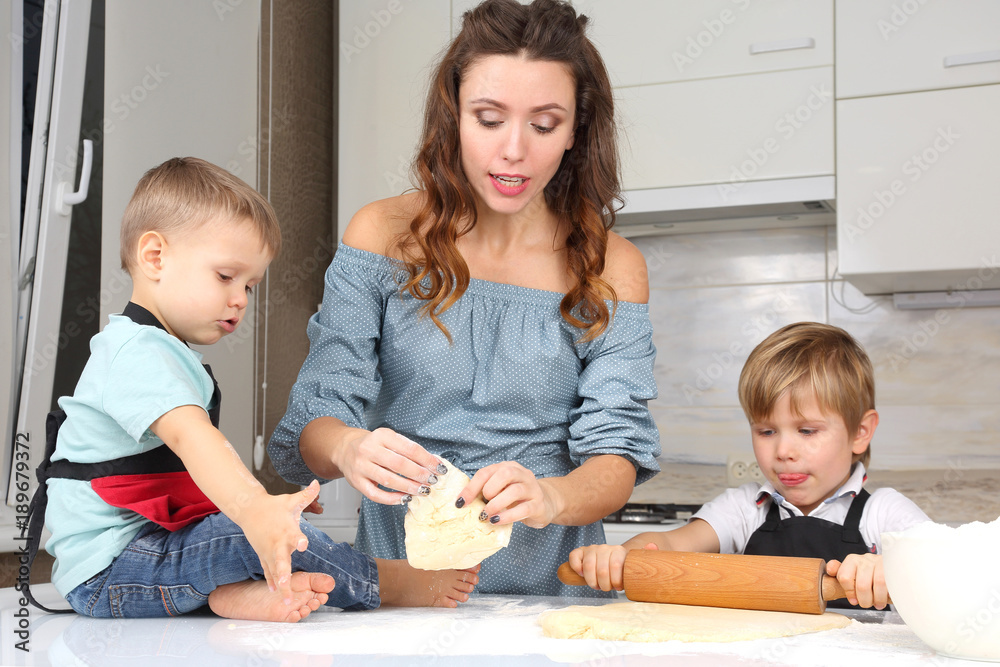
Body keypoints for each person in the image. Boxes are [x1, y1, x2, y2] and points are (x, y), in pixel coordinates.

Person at [268, 0, 660, 597]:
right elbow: (314, 418)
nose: (513, 150)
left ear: (575, 131)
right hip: (403, 592)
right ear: (453, 116)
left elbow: (616, 456)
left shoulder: (613, 267)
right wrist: (348, 447)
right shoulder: (381, 236)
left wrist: (550, 495)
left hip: (554, 598)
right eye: (489, 118)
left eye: (544, 125)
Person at [38, 157, 477, 622]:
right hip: (110, 571)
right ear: (155, 257)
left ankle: (234, 594)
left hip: (150, 552)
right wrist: (257, 510)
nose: (239, 299)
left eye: (250, 286)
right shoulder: (136, 353)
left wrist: (263, 508)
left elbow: (185, 474)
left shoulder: (160, 352)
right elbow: (194, 440)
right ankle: (387, 582)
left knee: (262, 527)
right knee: (255, 532)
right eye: (225, 277)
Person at [568, 322, 931, 610]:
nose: (784, 451)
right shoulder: (744, 509)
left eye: (807, 430)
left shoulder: (883, 514)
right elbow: (668, 543)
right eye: (766, 431)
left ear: (860, 432)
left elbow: (951, 571)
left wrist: (892, 570)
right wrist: (621, 556)